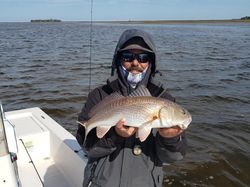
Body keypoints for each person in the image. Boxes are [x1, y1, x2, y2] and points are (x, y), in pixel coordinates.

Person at [76, 29, 187, 187]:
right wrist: (115, 135)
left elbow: (174, 157)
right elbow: (86, 148)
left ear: (151, 62)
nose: (135, 63)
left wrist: (170, 138)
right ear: (118, 60)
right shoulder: (99, 95)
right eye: (128, 57)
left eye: (143, 57)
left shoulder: (163, 98)